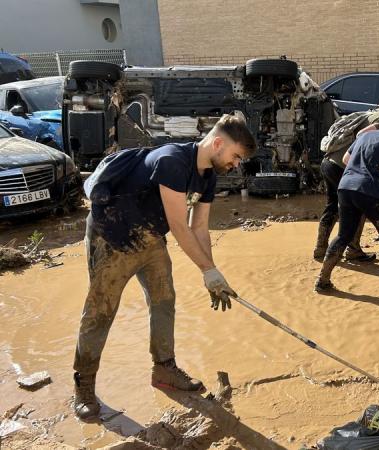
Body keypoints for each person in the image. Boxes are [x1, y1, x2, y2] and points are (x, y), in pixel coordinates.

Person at [72, 114, 256, 420]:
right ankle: (84, 385)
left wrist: (211, 272)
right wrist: (206, 270)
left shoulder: (208, 176)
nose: (237, 164)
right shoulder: (172, 161)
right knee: (101, 309)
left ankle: (164, 369)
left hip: (151, 236)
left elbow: (200, 228)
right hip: (113, 234)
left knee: (164, 299)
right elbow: (180, 227)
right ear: (219, 143)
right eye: (236, 156)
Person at [315, 107, 379, 291]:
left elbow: (346, 159)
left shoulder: (364, 137)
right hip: (370, 190)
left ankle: (323, 280)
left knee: (343, 235)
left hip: (345, 187)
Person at [313, 93, 379, 262]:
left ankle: (320, 249)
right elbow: (361, 136)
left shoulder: (366, 113)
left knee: (332, 206)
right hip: (344, 166)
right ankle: (353, 249)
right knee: (358, 208)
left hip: (328, 162)